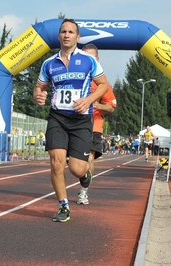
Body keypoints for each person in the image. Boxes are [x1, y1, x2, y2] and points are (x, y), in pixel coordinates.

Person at [33, 18, 109, 222]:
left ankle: (84, 175)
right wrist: (38, 95)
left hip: (81, 119)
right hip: (58, 117)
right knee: (57, 162)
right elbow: (39, 87)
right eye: (63, 32)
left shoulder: (88, 60)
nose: (67, 35)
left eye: (71, 32)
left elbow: (103, 85)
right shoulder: (49, 63)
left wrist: (88, 100)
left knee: (76, 168)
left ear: (78, 37)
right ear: (59, 36)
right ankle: (63, 205)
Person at [77, 43, 117, 205]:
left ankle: (83, 192)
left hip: (94, 125)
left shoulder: (102, 82)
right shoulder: (74, 77)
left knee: (89, 158)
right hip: (73, 123)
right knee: (73, 163)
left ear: (97, 60)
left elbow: (111, 106)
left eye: (91, 57)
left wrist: (93, 104)